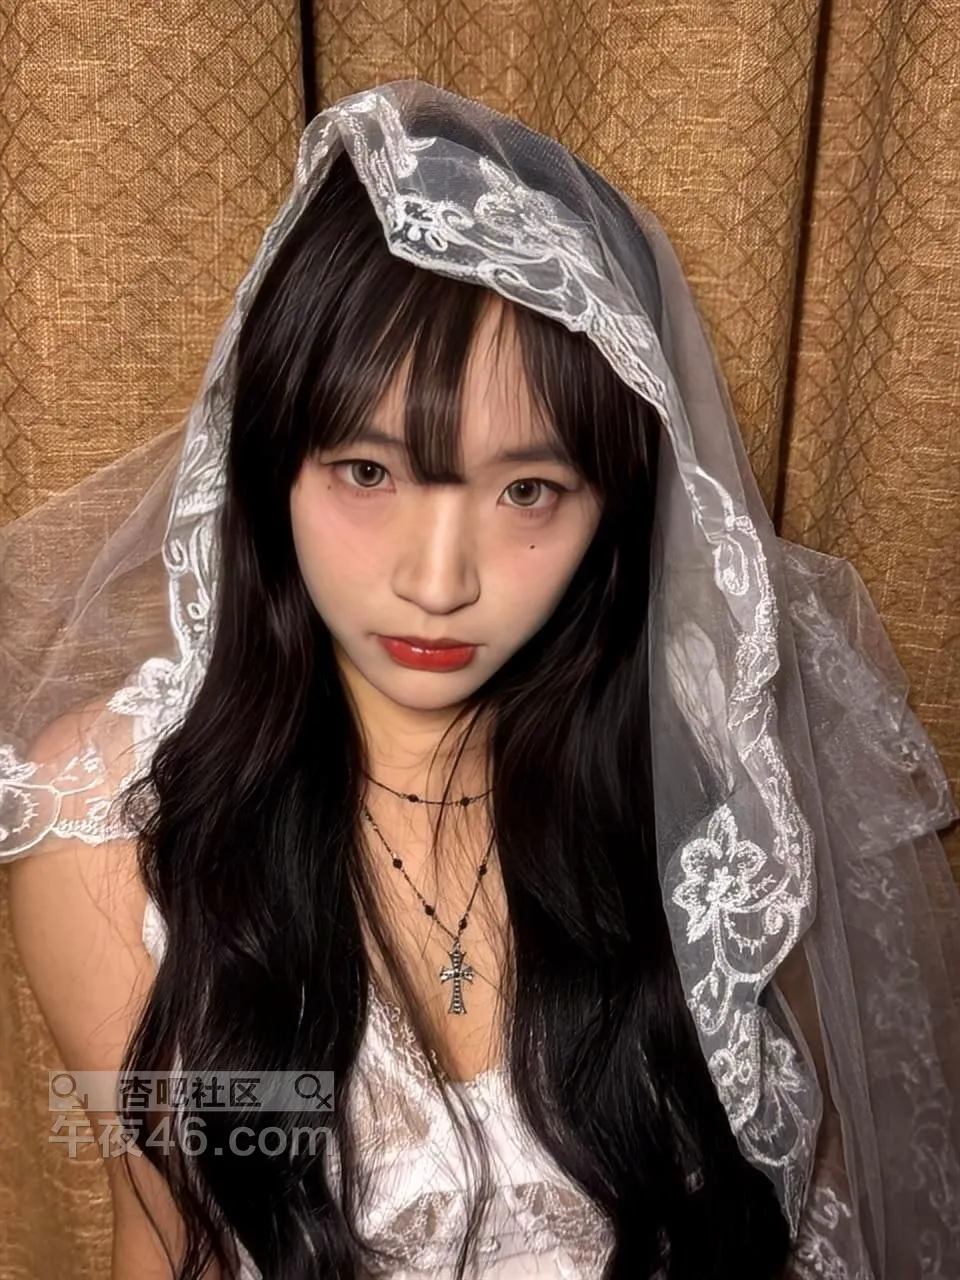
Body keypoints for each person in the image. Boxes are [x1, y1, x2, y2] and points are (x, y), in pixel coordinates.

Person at [3, 80, 959, 1280]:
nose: (437, 581)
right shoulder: (107, 824)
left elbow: (814, 1200)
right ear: (266, 463)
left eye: (528, 491)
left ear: (618, 505)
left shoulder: (723, 783)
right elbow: (160, 1231)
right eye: (367, 471)